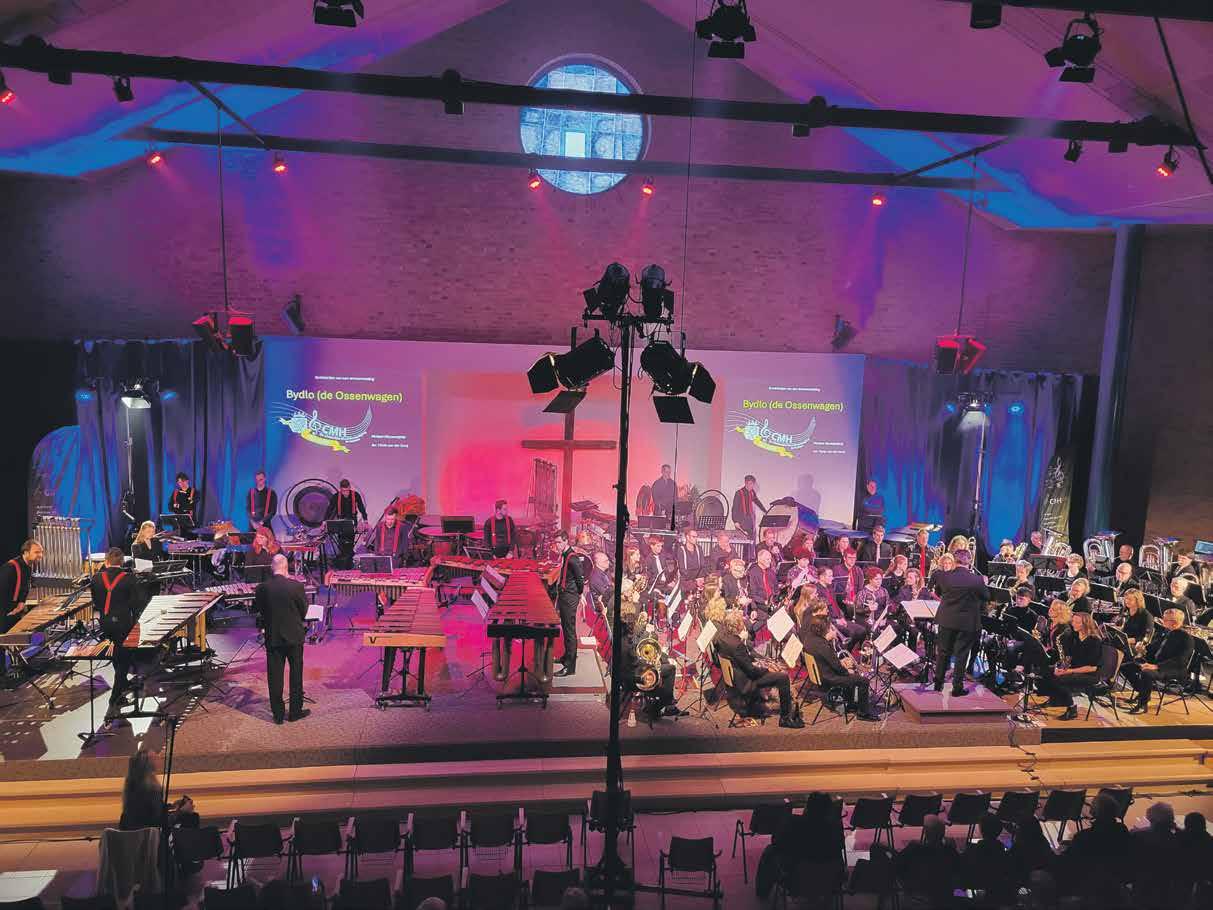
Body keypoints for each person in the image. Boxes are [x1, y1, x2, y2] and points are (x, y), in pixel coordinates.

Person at [713, 608, 801, 727]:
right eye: (742, 622)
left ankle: (770, 703)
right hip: (746, 682)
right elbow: (752, 671)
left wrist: (760, 662)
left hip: (736, 677)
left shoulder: (722, 638)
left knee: (766, 664)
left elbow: (744, 660)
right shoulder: (737, 645)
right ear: (738, 625)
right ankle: (785, 718)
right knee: (783, 678)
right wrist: (767, 669)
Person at [254, 554, 309, 724]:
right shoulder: (297, 586)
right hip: (294, 636)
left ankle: (278, 715)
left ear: (272, 567)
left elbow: (259, 611)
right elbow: (304, 612)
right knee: (296, 674)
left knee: (275, 676)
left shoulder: (262, 588)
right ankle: (295, 712)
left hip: (273, 636)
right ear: (286, 567)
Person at [91, 547, 142, 723]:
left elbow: (96, 602)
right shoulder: (129, 578)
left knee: (116, 655)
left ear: (106, 562)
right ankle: (115, 697)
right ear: (122, 562)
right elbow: (136, 604)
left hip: (105, 622)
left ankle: (121, 686)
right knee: (124, 659)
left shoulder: (96, 578)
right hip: (123, 623)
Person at [930, 549, 989, 697]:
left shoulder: (944, 577)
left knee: (943, 652)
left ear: (955, 561)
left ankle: (938, 684)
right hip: (967, 623)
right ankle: (957, 688)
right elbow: (986, 596)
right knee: (962, 655)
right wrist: (985, 584)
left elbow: (938, 593)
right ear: (969, 561)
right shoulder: (977, 580)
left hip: (946, 620)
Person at [802, 615, 878, 721]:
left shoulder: (809, 639)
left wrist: (841, 662)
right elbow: (838, 668)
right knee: (863, 681)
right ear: (824, 629)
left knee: (851, 674)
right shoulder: (823, 645)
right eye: (829, 627)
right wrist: (848, 671)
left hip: (820, 674)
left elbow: (828, 660)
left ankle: (851, 704)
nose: (831, 629)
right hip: (828, 679)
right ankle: (863, 713)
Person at [1122, 608, 1193, 714]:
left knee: (1146, 673)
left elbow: (1180, 661)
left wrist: (1157, 666)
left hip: (1172, 669)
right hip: (1156, 664)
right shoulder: (1165, 631)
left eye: (1165, 619)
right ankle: (1143, 693)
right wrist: (1143, 650)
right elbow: (1153, 648)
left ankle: (1142, 704)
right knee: (1126, 666)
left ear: (1174, 623)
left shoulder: (1186, 638)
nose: (1161, 621)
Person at [1036, 611, 1103, 720]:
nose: (1073, 624)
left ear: (1086, 624)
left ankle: (1072, 709)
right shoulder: (1075, 636)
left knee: (1060, 679)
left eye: (1077, 622)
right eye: (1073, 621)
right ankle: (1055, 700)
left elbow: (1092, 667)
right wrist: (1061, 667)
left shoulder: (1094, 641)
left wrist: (1068, 671)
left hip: (1090, 674)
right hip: (1073, 668)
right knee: (1045, 671)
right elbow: (1069, 656)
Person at [619, 604, 682, 718]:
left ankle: (667, 704)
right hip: (635, 679)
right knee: (671, 669)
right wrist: (652, 664)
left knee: (663, 661)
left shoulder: (622, 636)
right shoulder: (626, 644)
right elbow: (637, 662)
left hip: (628, 674)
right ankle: (658, 706)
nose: (634, 626)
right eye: (633, 624)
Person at [120, 748, 198, 832]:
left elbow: (149, 811)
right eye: (156, 758)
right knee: (192, 818)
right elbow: (158, 822)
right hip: (148, 835)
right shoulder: (149, 788)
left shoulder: (134, 784)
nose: (160, 759)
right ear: (148, 764)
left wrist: (171, 806)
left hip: (133, 833)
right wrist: (182, 812)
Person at [895, 815, 959, 906]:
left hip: (919, 889)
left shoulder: (915, 848)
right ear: (943, 832)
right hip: (945, 892)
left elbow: (898, 863)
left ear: (925, 832)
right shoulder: (950, 851)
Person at [551, 530, 585, 677]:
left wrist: (578, 594)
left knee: (570, 632)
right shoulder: (565, 556)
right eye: (556, 542)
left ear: (566, 541)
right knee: (565, 629)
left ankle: (570, 667)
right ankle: (566, 657)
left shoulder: (573, 558)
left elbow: (580, 579)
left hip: (570, 597)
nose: (557, 545)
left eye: (559, 542)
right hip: (565, 595)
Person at [0, 539, 43, 634]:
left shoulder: (28, 567)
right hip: (4, 612)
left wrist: (21, 602)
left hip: (13, 611)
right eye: (36, 552)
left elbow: (24, 587)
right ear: (26, 552)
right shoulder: (10, 567)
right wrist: (8, 610)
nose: (40, 555)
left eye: (41, 552)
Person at [326, 479, 367, 570]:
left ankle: (348, 565)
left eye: (347, 490)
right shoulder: (336, 496)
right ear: (340, 489)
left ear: (349, 487)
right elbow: (330, 509)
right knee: (342, 545)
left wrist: (365, 520)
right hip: (340, 523)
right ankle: (343, 566)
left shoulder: (355, 495)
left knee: (349, 545)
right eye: (343, 491)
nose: (345, 493)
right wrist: (324, 522)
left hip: (352, 523)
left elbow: (361, 508)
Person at [730, 475, 766, 542]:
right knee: (743, 540)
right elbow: (734, 508)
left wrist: (765, 511)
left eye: (752, 484)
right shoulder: (739, 493)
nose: (751, 486)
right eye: (750, 484)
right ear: (746, 483)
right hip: (741, 520)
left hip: (749, 520)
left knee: (750, 540)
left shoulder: (752, 492)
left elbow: (757, 501)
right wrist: (735, 521)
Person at [1120, 588, 1152, 654]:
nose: (1127, 601)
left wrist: (1128, 640)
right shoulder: (1126, 610)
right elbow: (1124, 628)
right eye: (1126, 599)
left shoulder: (1146, 616)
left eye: (1130, 599)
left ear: (1138, 600)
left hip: (1135, 646)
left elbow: (1146, 638)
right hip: (1124, 641)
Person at [675, 528, 704, 594]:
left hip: (698, 577)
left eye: (696, 537)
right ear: (687, 537)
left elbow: (702, 565)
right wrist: (695, 581)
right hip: (687, 579)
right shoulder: (681, 550)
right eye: (693, 537)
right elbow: (682, 570)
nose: (696, 539)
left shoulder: (699, 548)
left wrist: (700, 578)